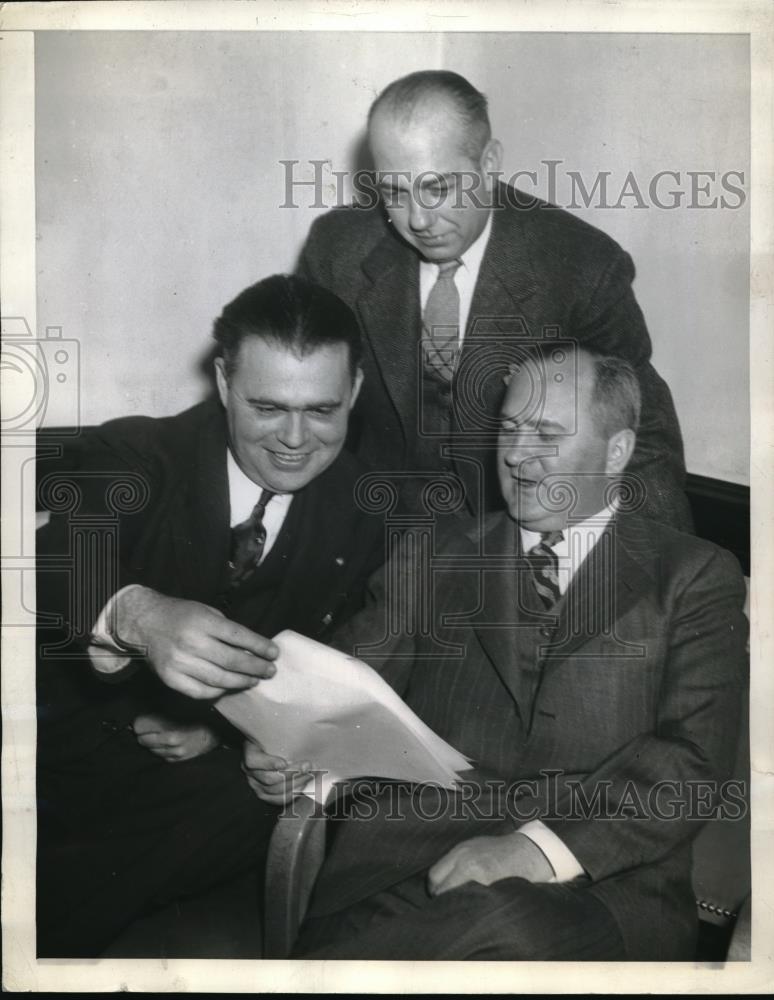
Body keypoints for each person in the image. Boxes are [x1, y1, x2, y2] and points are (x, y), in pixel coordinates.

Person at [247, 341, 747, 961]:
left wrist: (533, 849)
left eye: (547, 434)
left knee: (502, 926)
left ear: (616, 451)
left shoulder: (691, 576)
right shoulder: (438, 552)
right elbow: (345, 680)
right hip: (403, 873)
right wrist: (287, 743)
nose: (518, 457)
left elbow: (692, 763)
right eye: (509, 429)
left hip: (600, 888)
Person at [35, 274, 385, 957]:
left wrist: (268, 742)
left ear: (357, 393)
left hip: (215, 794)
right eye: (266, 407)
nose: (293, 439)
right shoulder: (135, 452)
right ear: (224, 383)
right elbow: (54, 555)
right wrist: (136, 613)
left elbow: (368, 667)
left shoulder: (372, 509)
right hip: (66, 765)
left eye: (322, 410)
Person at [299, 69, 692, 530]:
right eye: (394, 192)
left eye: (437, 188)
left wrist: (650, 577)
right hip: (372, 532)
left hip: (514, 543)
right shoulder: (337, 250)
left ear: (489, 163)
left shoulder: (581, 266)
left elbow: (641, 437)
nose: (419, 220)